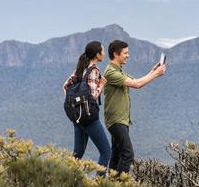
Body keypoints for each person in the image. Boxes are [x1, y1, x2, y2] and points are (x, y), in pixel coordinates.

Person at [104, 40, 166, 174]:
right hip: (116, 120)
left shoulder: (119, 71)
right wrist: (156, 74)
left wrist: (153, 71)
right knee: (128, 154)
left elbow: (137, 80)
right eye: (125, 53)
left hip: (122, 119)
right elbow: (137, 84)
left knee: (117, 154)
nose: (128, 55)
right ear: (116, 54)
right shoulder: (111, 72)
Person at [63, 41, 112, 171]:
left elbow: (65, 87)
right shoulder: (94, 70)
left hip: (77, 117)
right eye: (102, 51)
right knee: (106, 152)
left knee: (77, 154)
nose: (104, 53)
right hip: (89, 117)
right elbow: (92, 95)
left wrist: (76, 101)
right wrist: (101, 85)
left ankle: (67, 181)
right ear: (97, 55)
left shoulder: (80, 68)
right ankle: (99, 184)